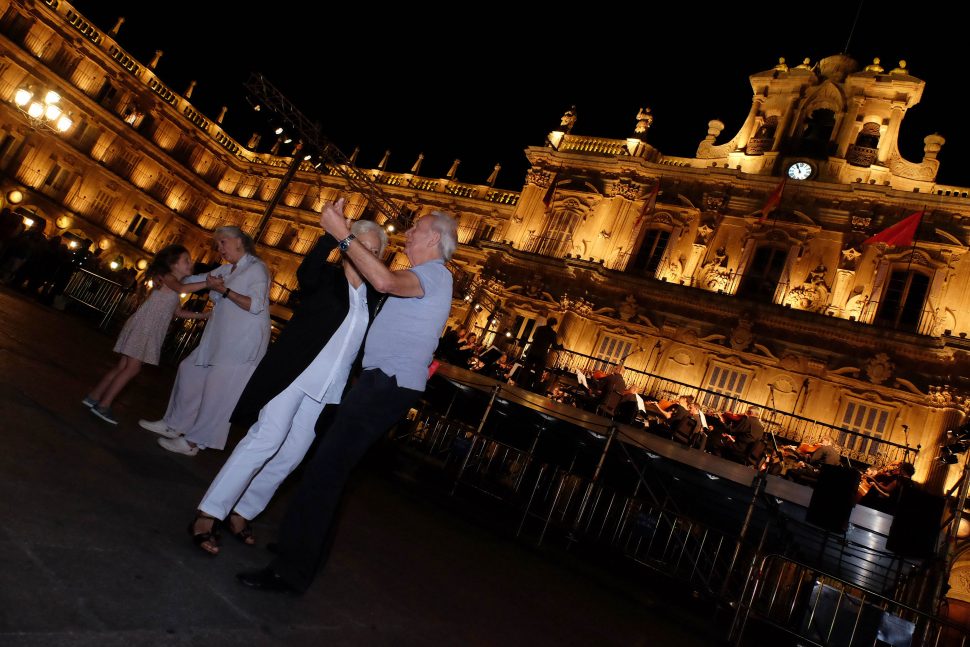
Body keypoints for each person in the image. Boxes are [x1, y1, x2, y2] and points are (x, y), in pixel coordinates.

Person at [236, 199, 456, 594]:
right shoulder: (427, 275)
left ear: (435, 237)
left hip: (385, 384)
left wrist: (343, 234)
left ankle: (291, 569)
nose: (408, 233)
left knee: (324, 471)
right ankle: (300, 552)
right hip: (382, 383)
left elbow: (384, 281)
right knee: (330, 471)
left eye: (416, 228)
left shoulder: (436, 274)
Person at [187, 220, 388, 554]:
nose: (367, 253)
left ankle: (243, 511)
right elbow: (306, 274)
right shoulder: (326, 279)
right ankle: (208, 513)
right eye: (360, 244)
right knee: (265, 440)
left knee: (292, 455)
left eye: (375, 250)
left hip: (327, 390)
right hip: (294, 377)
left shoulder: (372, 298)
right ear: (345, 247)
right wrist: (331, 233)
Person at [139, 226, 271, 456]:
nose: (219, 248)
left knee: (218, 393)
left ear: (239, 241)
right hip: (219, 339)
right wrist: (167, 272)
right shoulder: (228, 268)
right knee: (189, 370)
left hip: (242, 343)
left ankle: (193, 443)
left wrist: (226, 291)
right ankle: (175, 424)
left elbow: (256, 305)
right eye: (217, 244)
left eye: (222, 243)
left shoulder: (257, 269)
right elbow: (195, 280)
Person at [84, 245, 208, 424]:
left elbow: (177, 312)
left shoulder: (171, 284)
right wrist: (207, 283)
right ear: (172, 264)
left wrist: (203, 315)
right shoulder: (169, 278)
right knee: (132, 368)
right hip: (146, 327)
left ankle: (94, 397)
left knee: (123, 367)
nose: (191, 263)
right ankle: (103, 405)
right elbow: (182, 288)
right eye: (186, 260)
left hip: (145, 326)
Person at [522, 317, 562, 393]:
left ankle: (522, 385)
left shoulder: (539, 328)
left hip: (532, 351)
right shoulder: (553, 333)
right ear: (553, 324)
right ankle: (534, 390)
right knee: (539, 373)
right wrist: (561, 347)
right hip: (541, 354)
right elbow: (555, 346)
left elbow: (533, 337)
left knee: (526, 369)